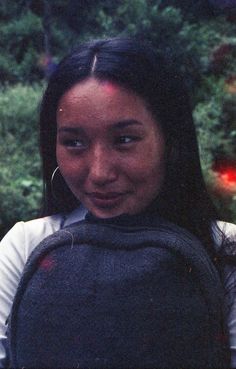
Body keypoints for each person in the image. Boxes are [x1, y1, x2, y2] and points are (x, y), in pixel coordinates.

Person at [0, 37, 236, 368]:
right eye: (74, 142)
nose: (99, 172)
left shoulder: (226, 253)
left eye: (124, 140)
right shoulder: (24, 247)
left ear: (171, 141)